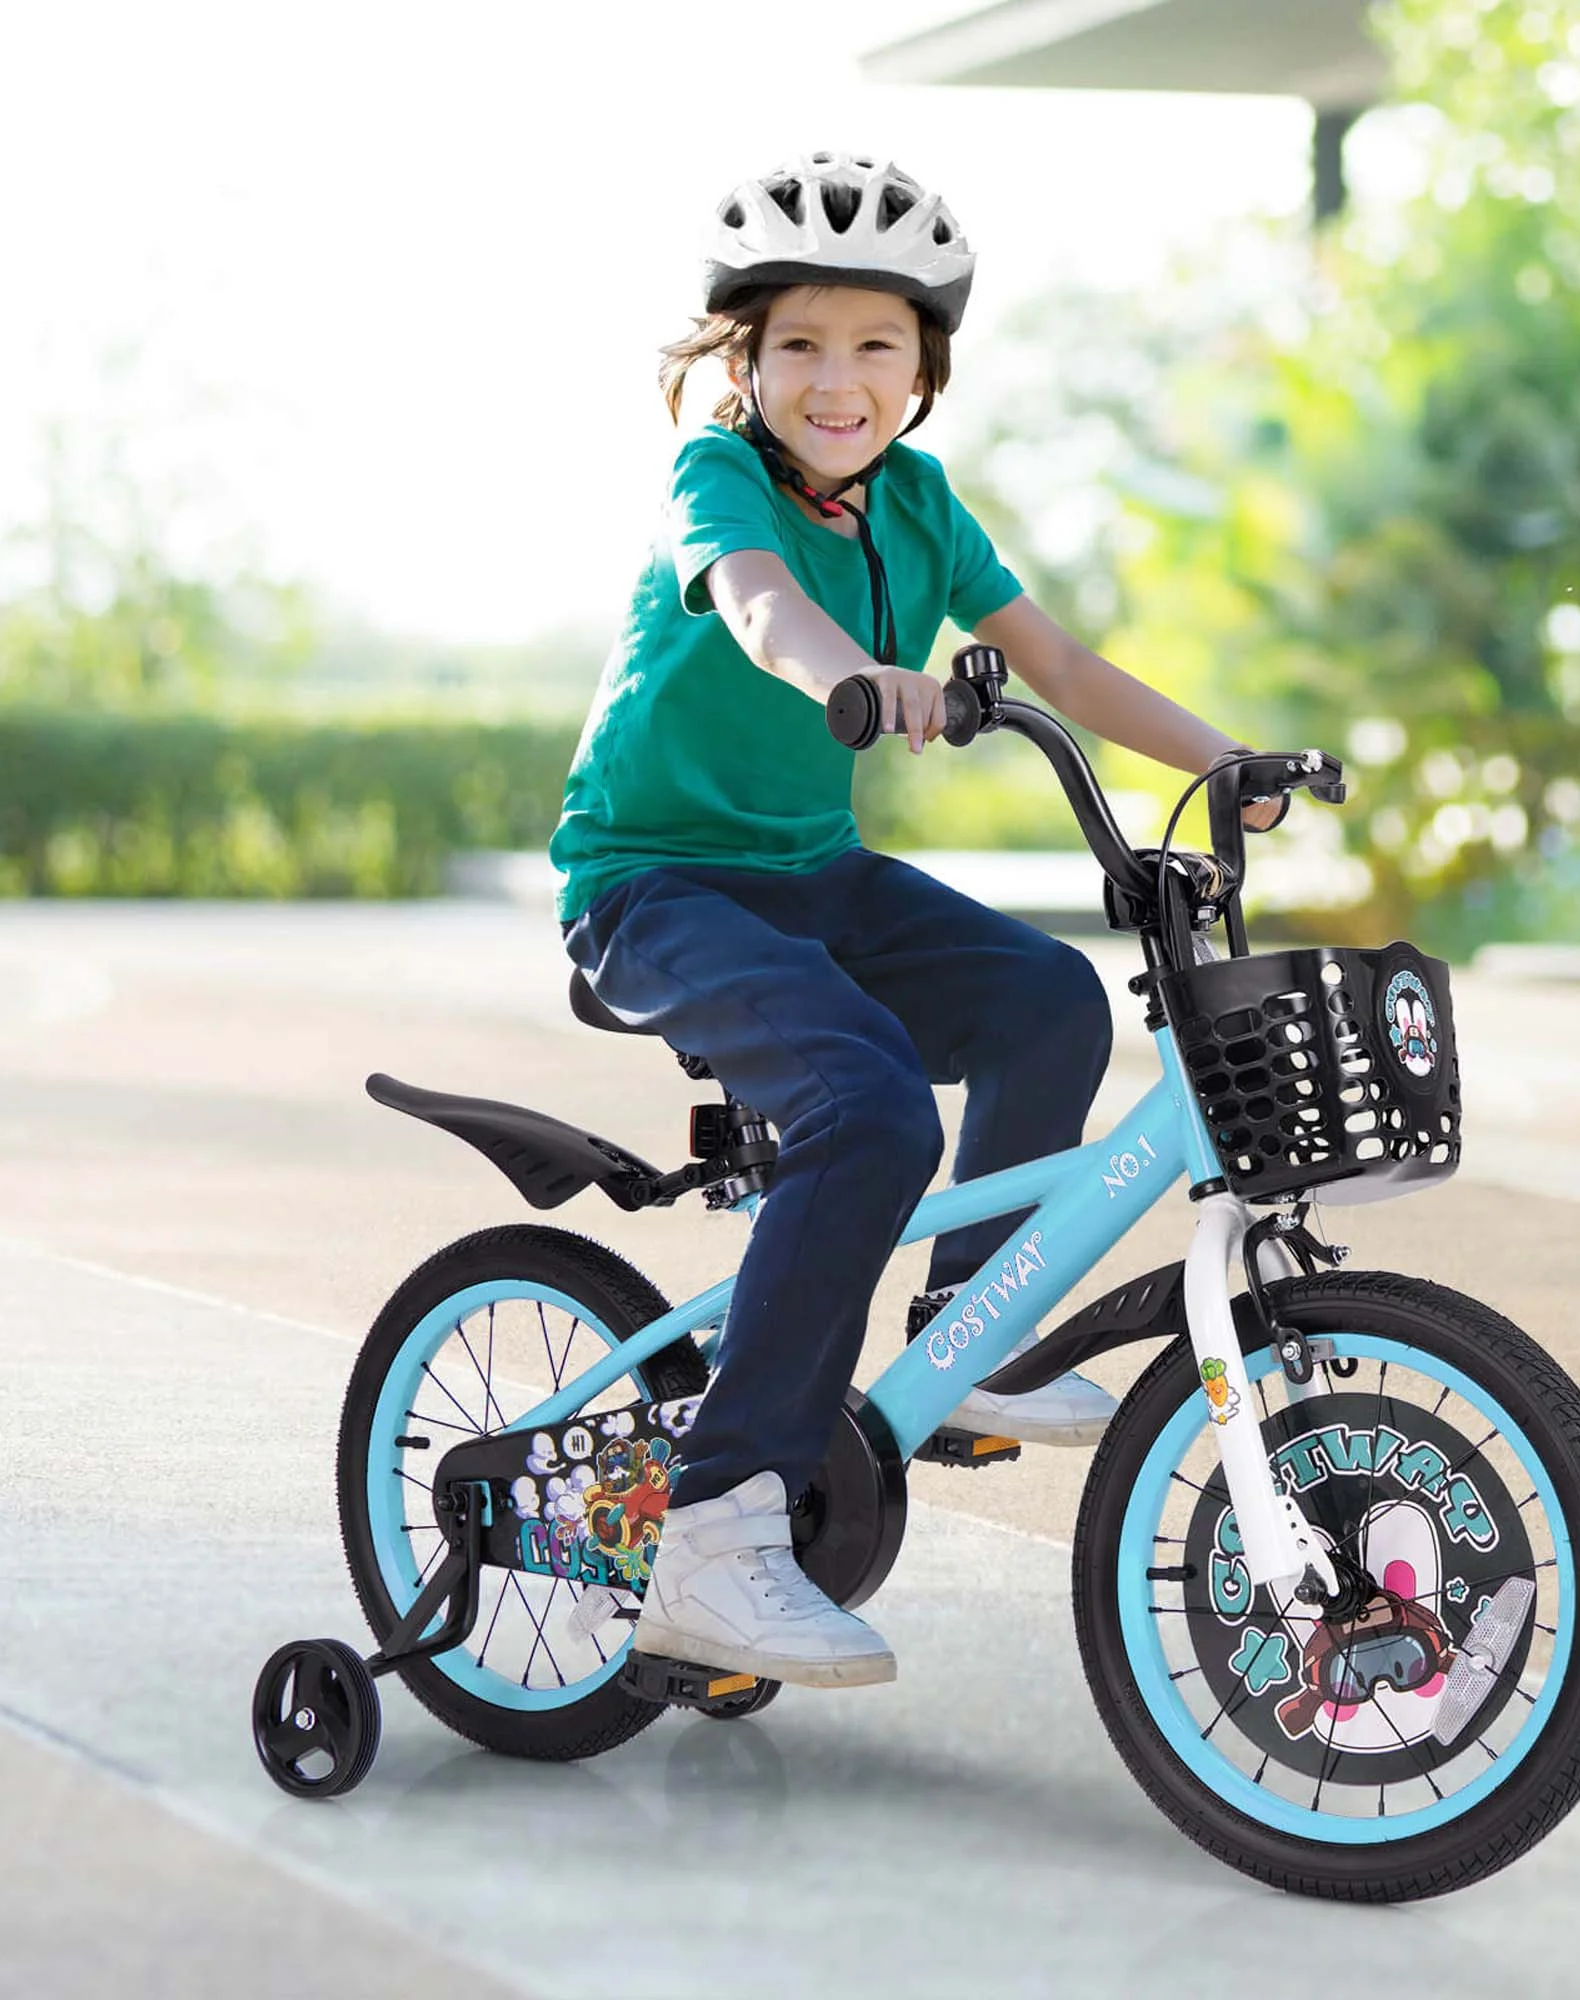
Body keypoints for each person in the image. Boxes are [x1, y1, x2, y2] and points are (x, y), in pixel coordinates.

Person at [553, 152, 1281, 1689]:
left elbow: (1061, 667)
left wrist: (1224, 761)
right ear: (744, 363)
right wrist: (852, 674)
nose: (839, 379)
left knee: (1051, 1004)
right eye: (801, 345)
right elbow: (757, 603)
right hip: (652, 886)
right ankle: (711, 1529)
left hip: (811, 877)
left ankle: (972, 1334)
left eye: (875, 345)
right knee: (870, 1105)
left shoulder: (923, 506)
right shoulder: (719, 476)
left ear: (924, 371)